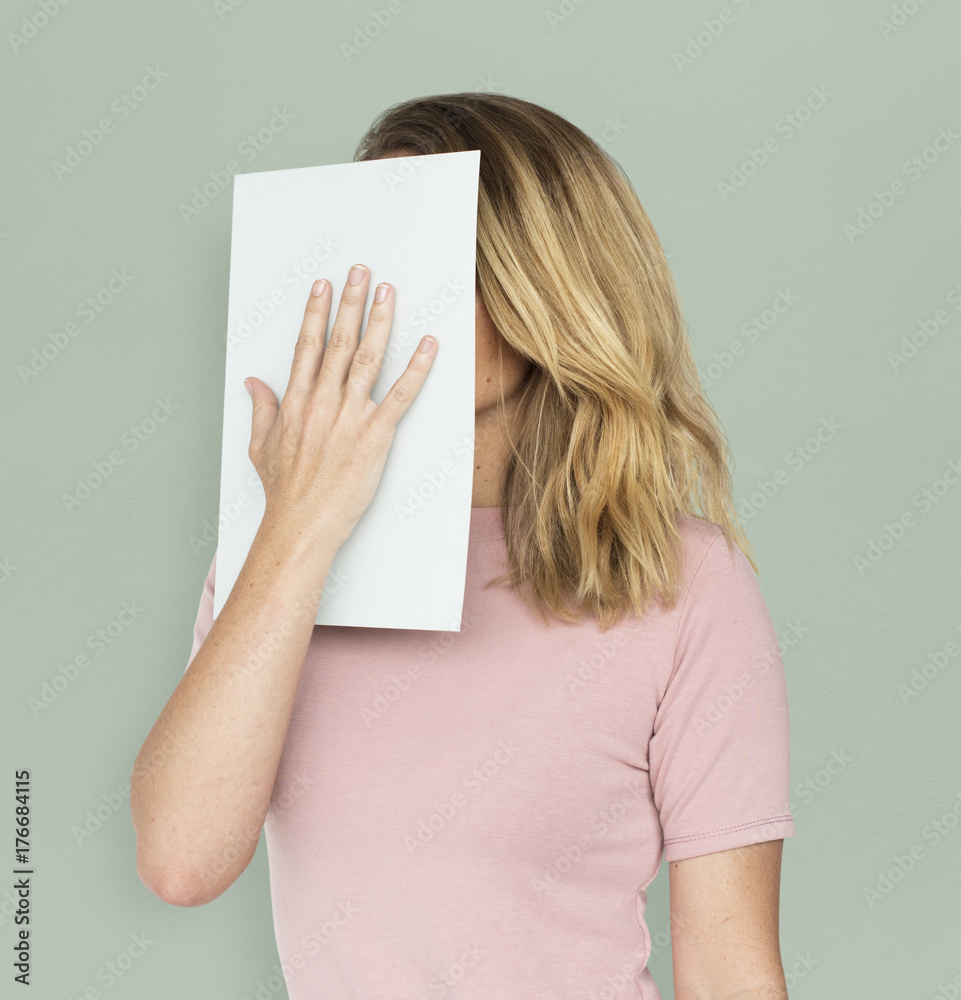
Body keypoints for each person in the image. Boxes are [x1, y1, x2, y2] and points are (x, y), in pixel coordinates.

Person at [130, 93, 796, 1000]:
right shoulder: (276, 558)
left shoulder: (680, 582)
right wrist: (293, 525)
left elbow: (730, 974)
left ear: (542, 285)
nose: (388, 292)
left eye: (431, 248)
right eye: (371, 245)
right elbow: (181, 861)